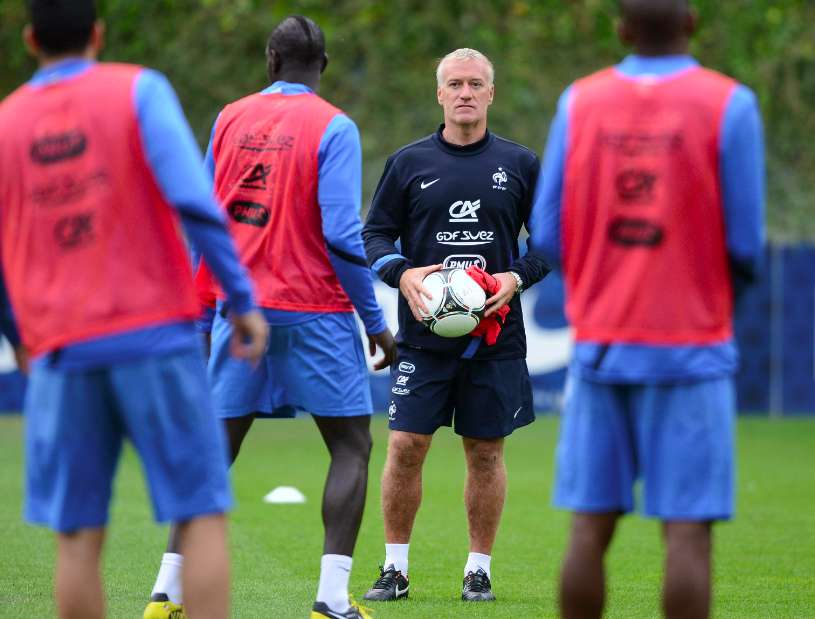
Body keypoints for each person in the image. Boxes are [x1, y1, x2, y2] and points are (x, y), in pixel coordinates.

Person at [0, 1, 269, 619]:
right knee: (199, 514)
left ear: (31, 40)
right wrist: (241, 299)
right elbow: (195, 203)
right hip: (155, 338)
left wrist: (20, 337)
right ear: (97, 34)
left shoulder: (8, 121)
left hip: (62, 348)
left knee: (76, 535)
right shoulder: (139, 90)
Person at [144, 15, 395, 619]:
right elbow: (342, 233)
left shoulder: (229, 117)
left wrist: (202, 313)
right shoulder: (335, 126)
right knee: (351, 446)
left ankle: (166, 592)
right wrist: (374, 320)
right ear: (323, 65)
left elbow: (203, 219)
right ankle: (331, 600)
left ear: (271, 60)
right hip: (315, 311)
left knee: (214, 452)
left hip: (239, 313)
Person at [529, 1, 765, 617]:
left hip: (602, 344)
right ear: (691, 23)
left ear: (622, 29)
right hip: (692, 347)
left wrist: (600, 287)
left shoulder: (579, 102)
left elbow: (547, 233)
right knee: (687, 533)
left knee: (589, 528)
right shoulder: (730, 103)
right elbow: (745, 244)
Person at [362, 48, 549, 603]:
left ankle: (478, 570)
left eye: (475, 84)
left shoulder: (521, 163)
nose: (465, 93)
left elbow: (551, 243)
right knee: (405, 445)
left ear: (491, 93)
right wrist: (401, 272)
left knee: (485, 452)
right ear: (439, 93)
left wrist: (516, 277)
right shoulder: (408, 163)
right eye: (455, 84)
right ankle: (395, 569)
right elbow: (374, 235)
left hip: (495, 338)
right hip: (423, 338)